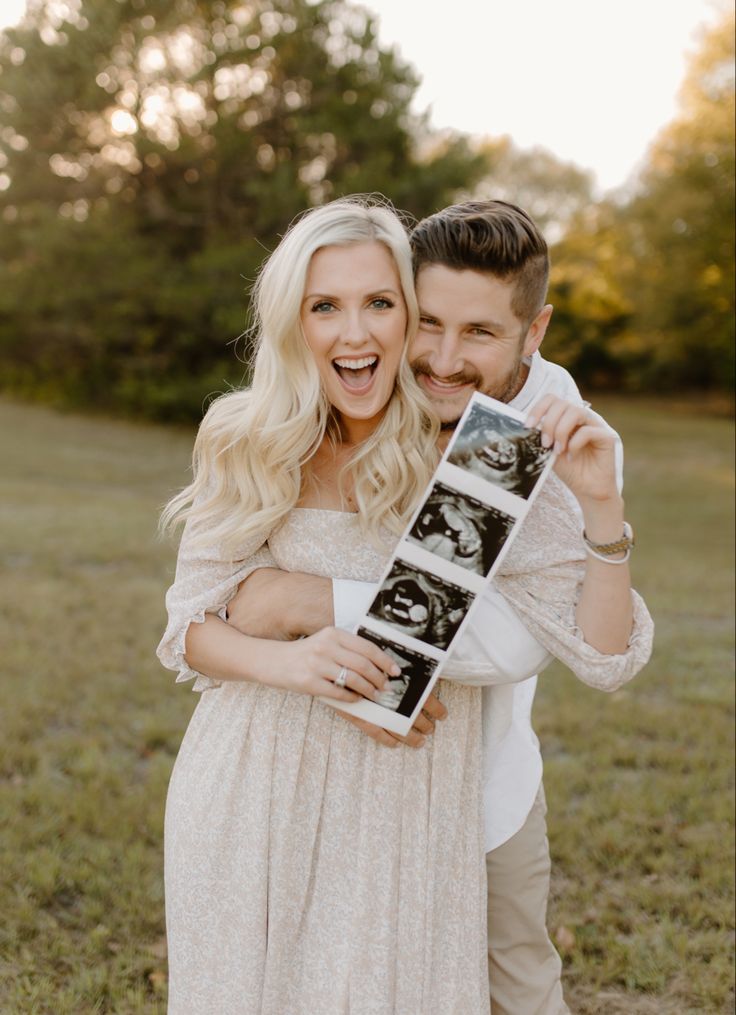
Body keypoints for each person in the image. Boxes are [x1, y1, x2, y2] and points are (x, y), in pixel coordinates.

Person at [223, 199, 654, 1015]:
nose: (445, 360)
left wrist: (304, 603)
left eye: (481, 334)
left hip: (479, 789)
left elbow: (520, 645)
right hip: (344, 791)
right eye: (430, 322)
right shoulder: (377, 393)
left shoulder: (528, 431)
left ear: (536, 331)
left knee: (517, 993)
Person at [159, 196, 505, 1015]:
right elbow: (188, 630)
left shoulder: (473, 447)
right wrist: (298, 659)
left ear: (411, 316)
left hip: (402, 794)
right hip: (249, 781)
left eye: (380, 303)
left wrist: (288, 599)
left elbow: (458, 640)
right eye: (326, 307)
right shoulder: (244, 434)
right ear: (294, 322)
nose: (356, 335)